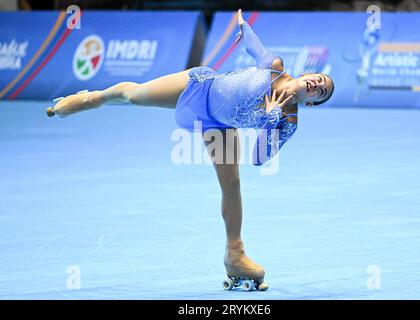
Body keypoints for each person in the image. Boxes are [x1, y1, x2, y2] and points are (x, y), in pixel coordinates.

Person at [47, 9, 334, 291]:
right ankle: (96, 98)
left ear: (311, 103)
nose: (318, 85)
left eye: (321, 92)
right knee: (133, 95)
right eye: (320, 79)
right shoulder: (274, 67)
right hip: (199, 87)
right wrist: (244, 26)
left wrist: (270, 120)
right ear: (308, 74)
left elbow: (259, 158)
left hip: (218, 126)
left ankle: (235, 254)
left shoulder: (288, 121)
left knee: (232, 185)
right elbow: (255, 48)